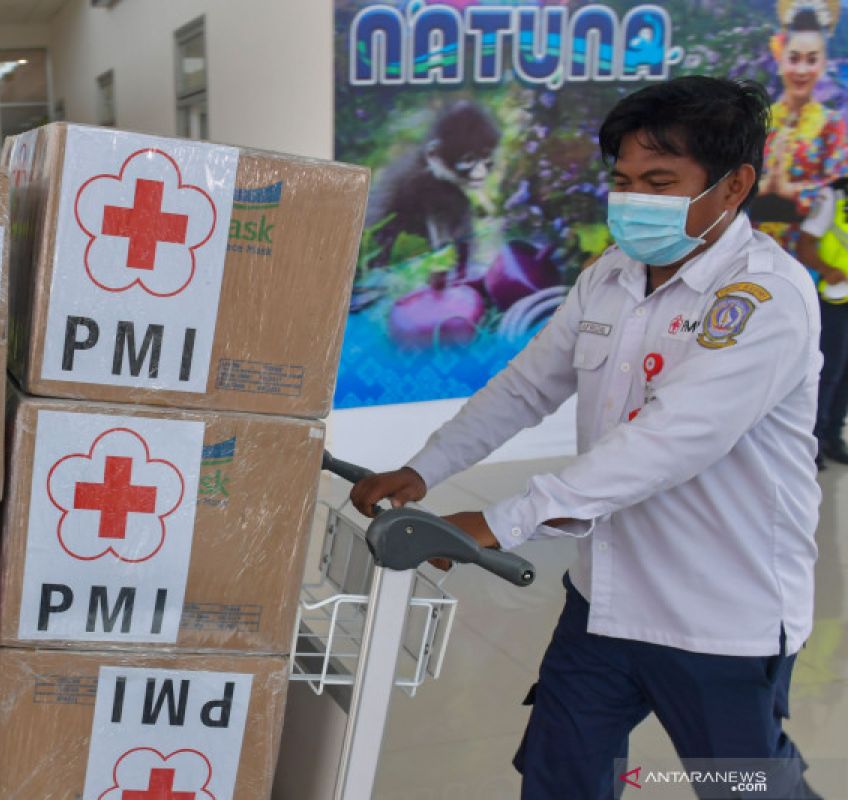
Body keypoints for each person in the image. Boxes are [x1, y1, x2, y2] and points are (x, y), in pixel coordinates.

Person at [351, 76, 822, 799]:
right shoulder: (610, 275)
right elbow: (526, 386)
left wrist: (501, 522)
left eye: (661, 182)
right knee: (561, 776)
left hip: (720, 615)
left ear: (734, 188)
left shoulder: (764, 301)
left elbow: (668, 442)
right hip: (603, 599)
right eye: (624, 180)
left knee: (745, 786)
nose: (634, 200)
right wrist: (423, 468)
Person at [750, 2, 846, 255]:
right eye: (794, 59)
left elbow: (840, 192)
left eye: (811, 60)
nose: (801, 70)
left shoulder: (833, 125)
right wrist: (762, 186)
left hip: (811, 252)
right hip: (751, 246)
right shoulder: (759, 120)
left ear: (823, 63)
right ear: (780, 59)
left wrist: (787, 190)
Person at [797, 177, 848, 468]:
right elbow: (806, 244)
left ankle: (833, 437)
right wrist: (827, 269)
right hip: (835, 298)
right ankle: (813, 441)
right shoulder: (835, 195)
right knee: (830, 371)